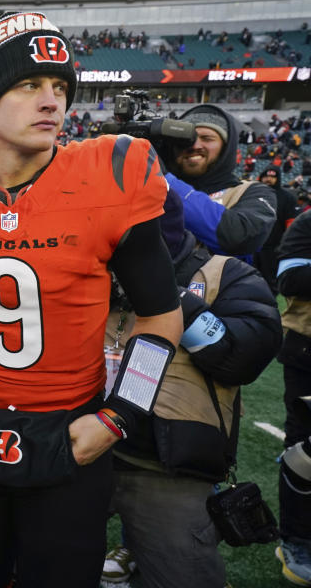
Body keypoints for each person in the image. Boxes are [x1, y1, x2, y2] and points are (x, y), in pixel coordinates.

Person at [0, 12, 183, 588]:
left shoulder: (110, 174)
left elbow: (161, 315)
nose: (52, 101)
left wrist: (120, 416)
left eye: (60, 88)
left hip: (70, 434)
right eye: (30, 85)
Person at [103, 189, 281, 588]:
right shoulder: (87, 269)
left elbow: (245, 358)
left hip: (165, 466)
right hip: (75, 448)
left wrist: (169, 296)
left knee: (182, 573)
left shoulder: (224, 273)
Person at [163, 104, 276, 261]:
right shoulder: (151, 188)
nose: (194, 145)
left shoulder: (252, 192)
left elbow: (239, 238)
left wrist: (163, 180)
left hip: (221, 285)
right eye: (185, 140)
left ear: (226, 148)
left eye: (207, 138)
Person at [274, 208, 311, 585]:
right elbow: (289, 278)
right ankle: (297, 540)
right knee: (304, 451)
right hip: (308, 351)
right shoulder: (308, 222)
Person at [254, 166, 299, 292]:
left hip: (273, 246)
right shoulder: (253, 194)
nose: (268, 179)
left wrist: (286, 246)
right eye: (266, 176)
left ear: (278, 178)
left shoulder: (286, 197)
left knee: (270, 282)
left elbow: (290, 224)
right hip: (252, 244)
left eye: (273, 177)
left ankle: (269, 306)